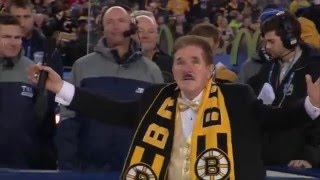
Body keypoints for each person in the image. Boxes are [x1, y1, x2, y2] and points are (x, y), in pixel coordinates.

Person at [29, 35, 320, 179]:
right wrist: (59, 87)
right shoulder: (157, 98)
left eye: (195, 61)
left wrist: (311, 104)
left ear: (210, 71)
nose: (186, 67)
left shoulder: (238, 98)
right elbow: (111, 110)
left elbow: (276, 120)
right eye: (180, 61)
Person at [55, 5, 163, 172]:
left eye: (121, 21)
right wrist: (69, 167)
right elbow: (68, 119)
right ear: (102, 28)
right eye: (110, 22)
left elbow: (157, 125)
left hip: (134, 170)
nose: (116, 26)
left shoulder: (151, 71)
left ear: (131, 27)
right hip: (88, 169)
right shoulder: (82, 66)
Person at [248, 11, 320, 168]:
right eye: (265, 41)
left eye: (271, 42)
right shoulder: (268, 67)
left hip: (300, 164)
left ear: (290, 40)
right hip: (268, 159)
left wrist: (312, 157)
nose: (266, 47)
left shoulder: (315, 67)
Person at [0, 13, 56, 169]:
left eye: (17, 38)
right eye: (6, 37)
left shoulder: (33, 71)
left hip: (23, 164)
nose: (13, 43)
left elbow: (41, 116)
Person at [7, 0, 63, 76]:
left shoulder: (48, 50)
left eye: (26, 17)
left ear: (33, 17)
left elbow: (57, 83)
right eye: (17, 17)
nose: (22, 23)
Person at [131, 10, 173, 82]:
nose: (146, 36)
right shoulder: (120, 64)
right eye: (140, 31)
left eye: (151, 31)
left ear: (157, 34)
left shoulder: (169, 64)